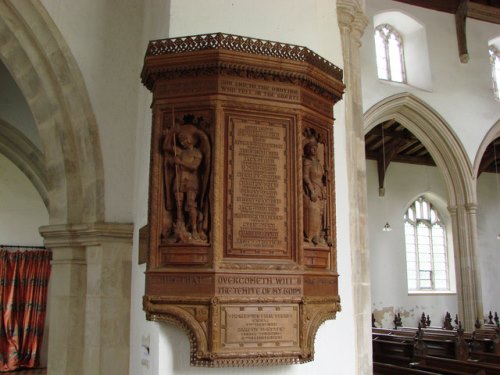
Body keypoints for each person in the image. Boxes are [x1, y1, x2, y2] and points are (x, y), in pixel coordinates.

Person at [163, 123, 210, 243]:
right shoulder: (179, 151)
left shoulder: (197, 153)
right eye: (180, 140)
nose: (182, 142)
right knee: (179, 204)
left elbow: (194, 167)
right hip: (179, 179)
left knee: (190, 204)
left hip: (191, 181)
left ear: (191, 139)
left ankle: (194, 229)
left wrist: (180, 163)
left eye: (184, 139)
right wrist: (171, 133)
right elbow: (166, 147)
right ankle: (180, 228)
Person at [303, 138, 327, 245]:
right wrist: (311, 190)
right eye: (312, 148)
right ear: (308, 150)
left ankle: (318, 234)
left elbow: (323, 178)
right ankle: (311, 235)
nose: (314, 150)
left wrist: (327, 175)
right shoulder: (307, 161)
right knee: (314, 212)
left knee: (320, 213)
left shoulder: (318, 163)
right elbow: (305, 176)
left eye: (315, 148)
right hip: (313, 187)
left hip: (320, 188)